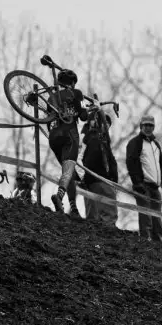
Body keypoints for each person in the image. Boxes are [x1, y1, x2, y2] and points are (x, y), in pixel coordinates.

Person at [47, 69, 93, 217]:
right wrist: (94, 108)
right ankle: (59, 197)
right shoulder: (77, 93)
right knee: (68, 169)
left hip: (53, 137)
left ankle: (73, 208)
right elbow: (84, 116)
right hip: (69, 134)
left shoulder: (51, 97)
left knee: (70, 172)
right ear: (72, 83)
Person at [125, 114, 162, 244]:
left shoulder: (156, 145)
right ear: (141, 126)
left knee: (157, 220)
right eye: (146, 125)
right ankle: (145, 243)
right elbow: (131, 163)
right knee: (146, 218)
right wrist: (137, 183)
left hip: (155, 188)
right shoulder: (135, 142)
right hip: (143, 186)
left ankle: (158, 246)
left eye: (151, 125)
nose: (148, 128)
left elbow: (160, 170)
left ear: (153, 127)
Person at [81, 110, 119, 226]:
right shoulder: (95, 139)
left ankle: (95, 242)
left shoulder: (89, 138)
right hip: (101, 180)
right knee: (108, 217)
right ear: (95, 122)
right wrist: (111, 179)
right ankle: (109, 242)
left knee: (93, 219)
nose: (106, 126)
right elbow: (89, 160)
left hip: (91, 181)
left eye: (108, 124)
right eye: (104, 122)